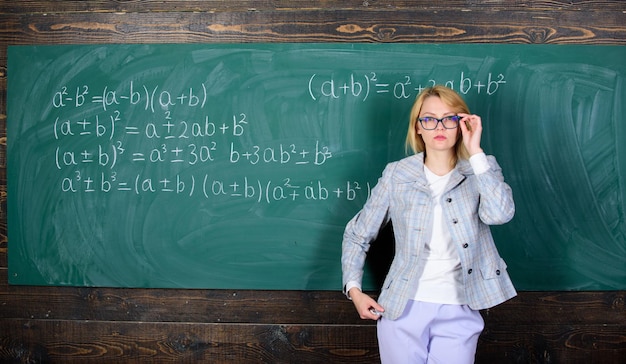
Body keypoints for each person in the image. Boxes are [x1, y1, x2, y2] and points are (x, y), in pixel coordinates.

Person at [341, 85, 516, 363]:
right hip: (402, 308)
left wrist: (476, 152)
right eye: (429, 119)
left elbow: (500, 214)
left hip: (460, 307)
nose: (439, 126)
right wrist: (354, 290)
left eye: (450, 118)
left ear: (462, 124)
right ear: (418, 127)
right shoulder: (397, 174)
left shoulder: (482, 168)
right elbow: (358, 234)